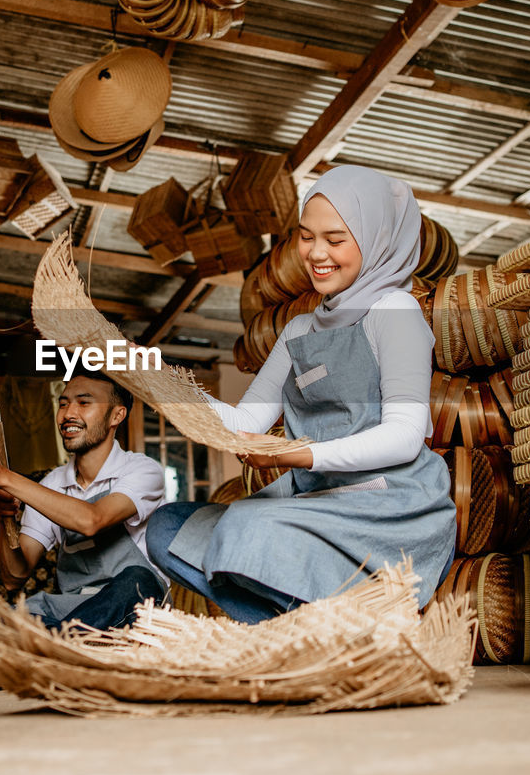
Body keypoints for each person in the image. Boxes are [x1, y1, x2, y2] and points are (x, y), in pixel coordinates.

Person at [145, 164, 455, 624]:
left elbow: (405, 436)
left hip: (387, 509)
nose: (316, 253)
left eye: (336, 239)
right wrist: (156, 377)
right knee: (167, 528)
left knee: (246, 525)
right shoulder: (299, 329)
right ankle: (297, 630)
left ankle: (346, 620)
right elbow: (244, 423)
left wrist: (295, 456)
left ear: (373, 241)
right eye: (306, 236)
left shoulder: (394, 310)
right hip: (314, 502)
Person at [0, 366, 167, 630]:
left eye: (84, 403)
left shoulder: (142, 470)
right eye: (63, 403)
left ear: (116, 415)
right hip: (67, 614)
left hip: (131, 614)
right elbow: (14, 576)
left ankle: (53, 644)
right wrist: (6, 518)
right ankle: (59, 641)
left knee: (138, 580)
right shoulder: (53, 483)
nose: (68, 414)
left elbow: (92, 519)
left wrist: (3, 476)